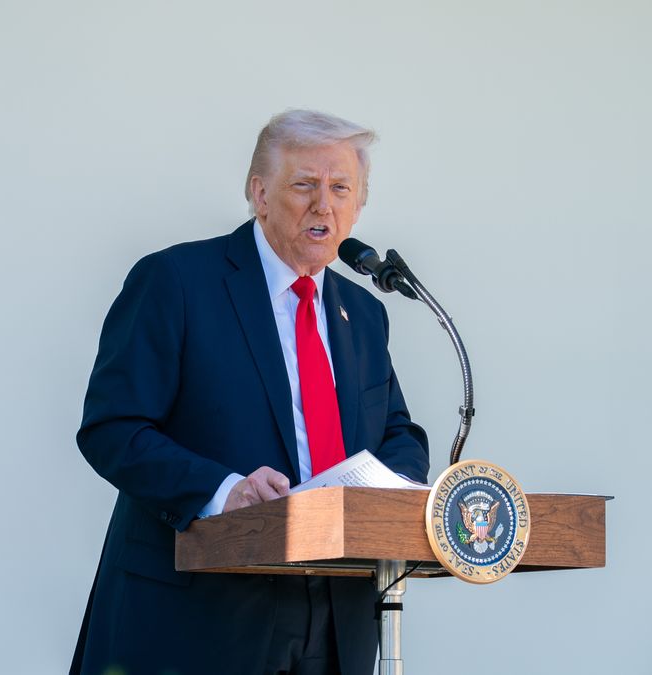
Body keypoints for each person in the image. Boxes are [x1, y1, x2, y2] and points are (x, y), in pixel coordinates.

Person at [70, 109, 429, 675]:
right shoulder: (177, 282)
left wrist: (390, 489)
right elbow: (113, 428)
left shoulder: (362, 312)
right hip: (200, 612)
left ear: (359, 205)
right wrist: (223, 490)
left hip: (338, 616)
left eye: (341, 189)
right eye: (304, 185)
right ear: (259, 193)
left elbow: (398, 433)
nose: (323, 205)